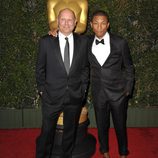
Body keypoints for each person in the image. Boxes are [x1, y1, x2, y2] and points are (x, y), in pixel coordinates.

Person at [36, 8, 89, 158]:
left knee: (69, 133)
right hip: (51, 97)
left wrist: (83, 90)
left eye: (70, 20)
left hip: (74, 96)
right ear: (57, 21)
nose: (66, 23)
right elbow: (40, 69)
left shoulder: (84, 42)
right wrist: (42, 90)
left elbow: (85, 68)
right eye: (63, 19)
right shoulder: (46, 42)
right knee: (46, 133)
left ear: (75, 23)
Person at [88, 10, 135, 158]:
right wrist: (54, 32)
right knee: (102, 126)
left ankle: (123, 152)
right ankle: (105, 151)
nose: (99, 27)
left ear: (108, 25)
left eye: (103, 23)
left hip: (118, 94)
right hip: (98, 93)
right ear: (91, 25)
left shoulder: (120, 42)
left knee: (120, 125)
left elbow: (129, 67)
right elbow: (68, 36)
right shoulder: (86, 42)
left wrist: (127, 90)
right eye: (96, 23)